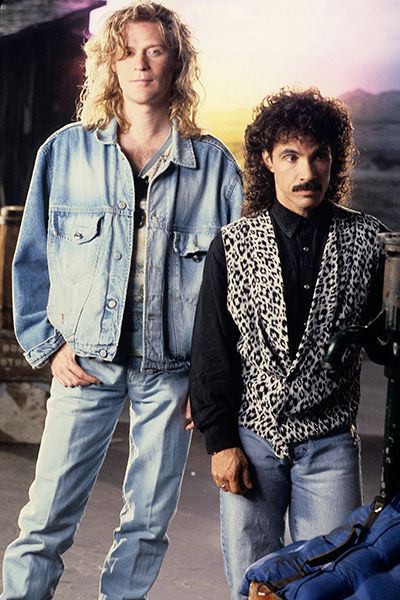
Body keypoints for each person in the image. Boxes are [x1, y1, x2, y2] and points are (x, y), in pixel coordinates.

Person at [1, 3, 242, 599]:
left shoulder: (214, 167)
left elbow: (239, 288)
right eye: (127, 51)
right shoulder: (64, 152)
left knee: (147, 524)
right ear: (108, 63)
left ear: (176, 61)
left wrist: (213, 382)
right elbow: (32, 256)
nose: (140, 64)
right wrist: (46, 342)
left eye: (154, 49)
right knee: (46, 519)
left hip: (174, 374)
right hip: (85, 363)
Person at [189, 87, 385, 599]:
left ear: (333, 161)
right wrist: (221, 442)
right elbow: (212, 352)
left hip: (329, 444)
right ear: (267, 160)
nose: (307, 172)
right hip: (250, 439)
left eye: (319, 156)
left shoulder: (368, 240)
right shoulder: (232, 244)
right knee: (253, 587)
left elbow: (386, 339)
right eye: (292, 156)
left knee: (332, 582)